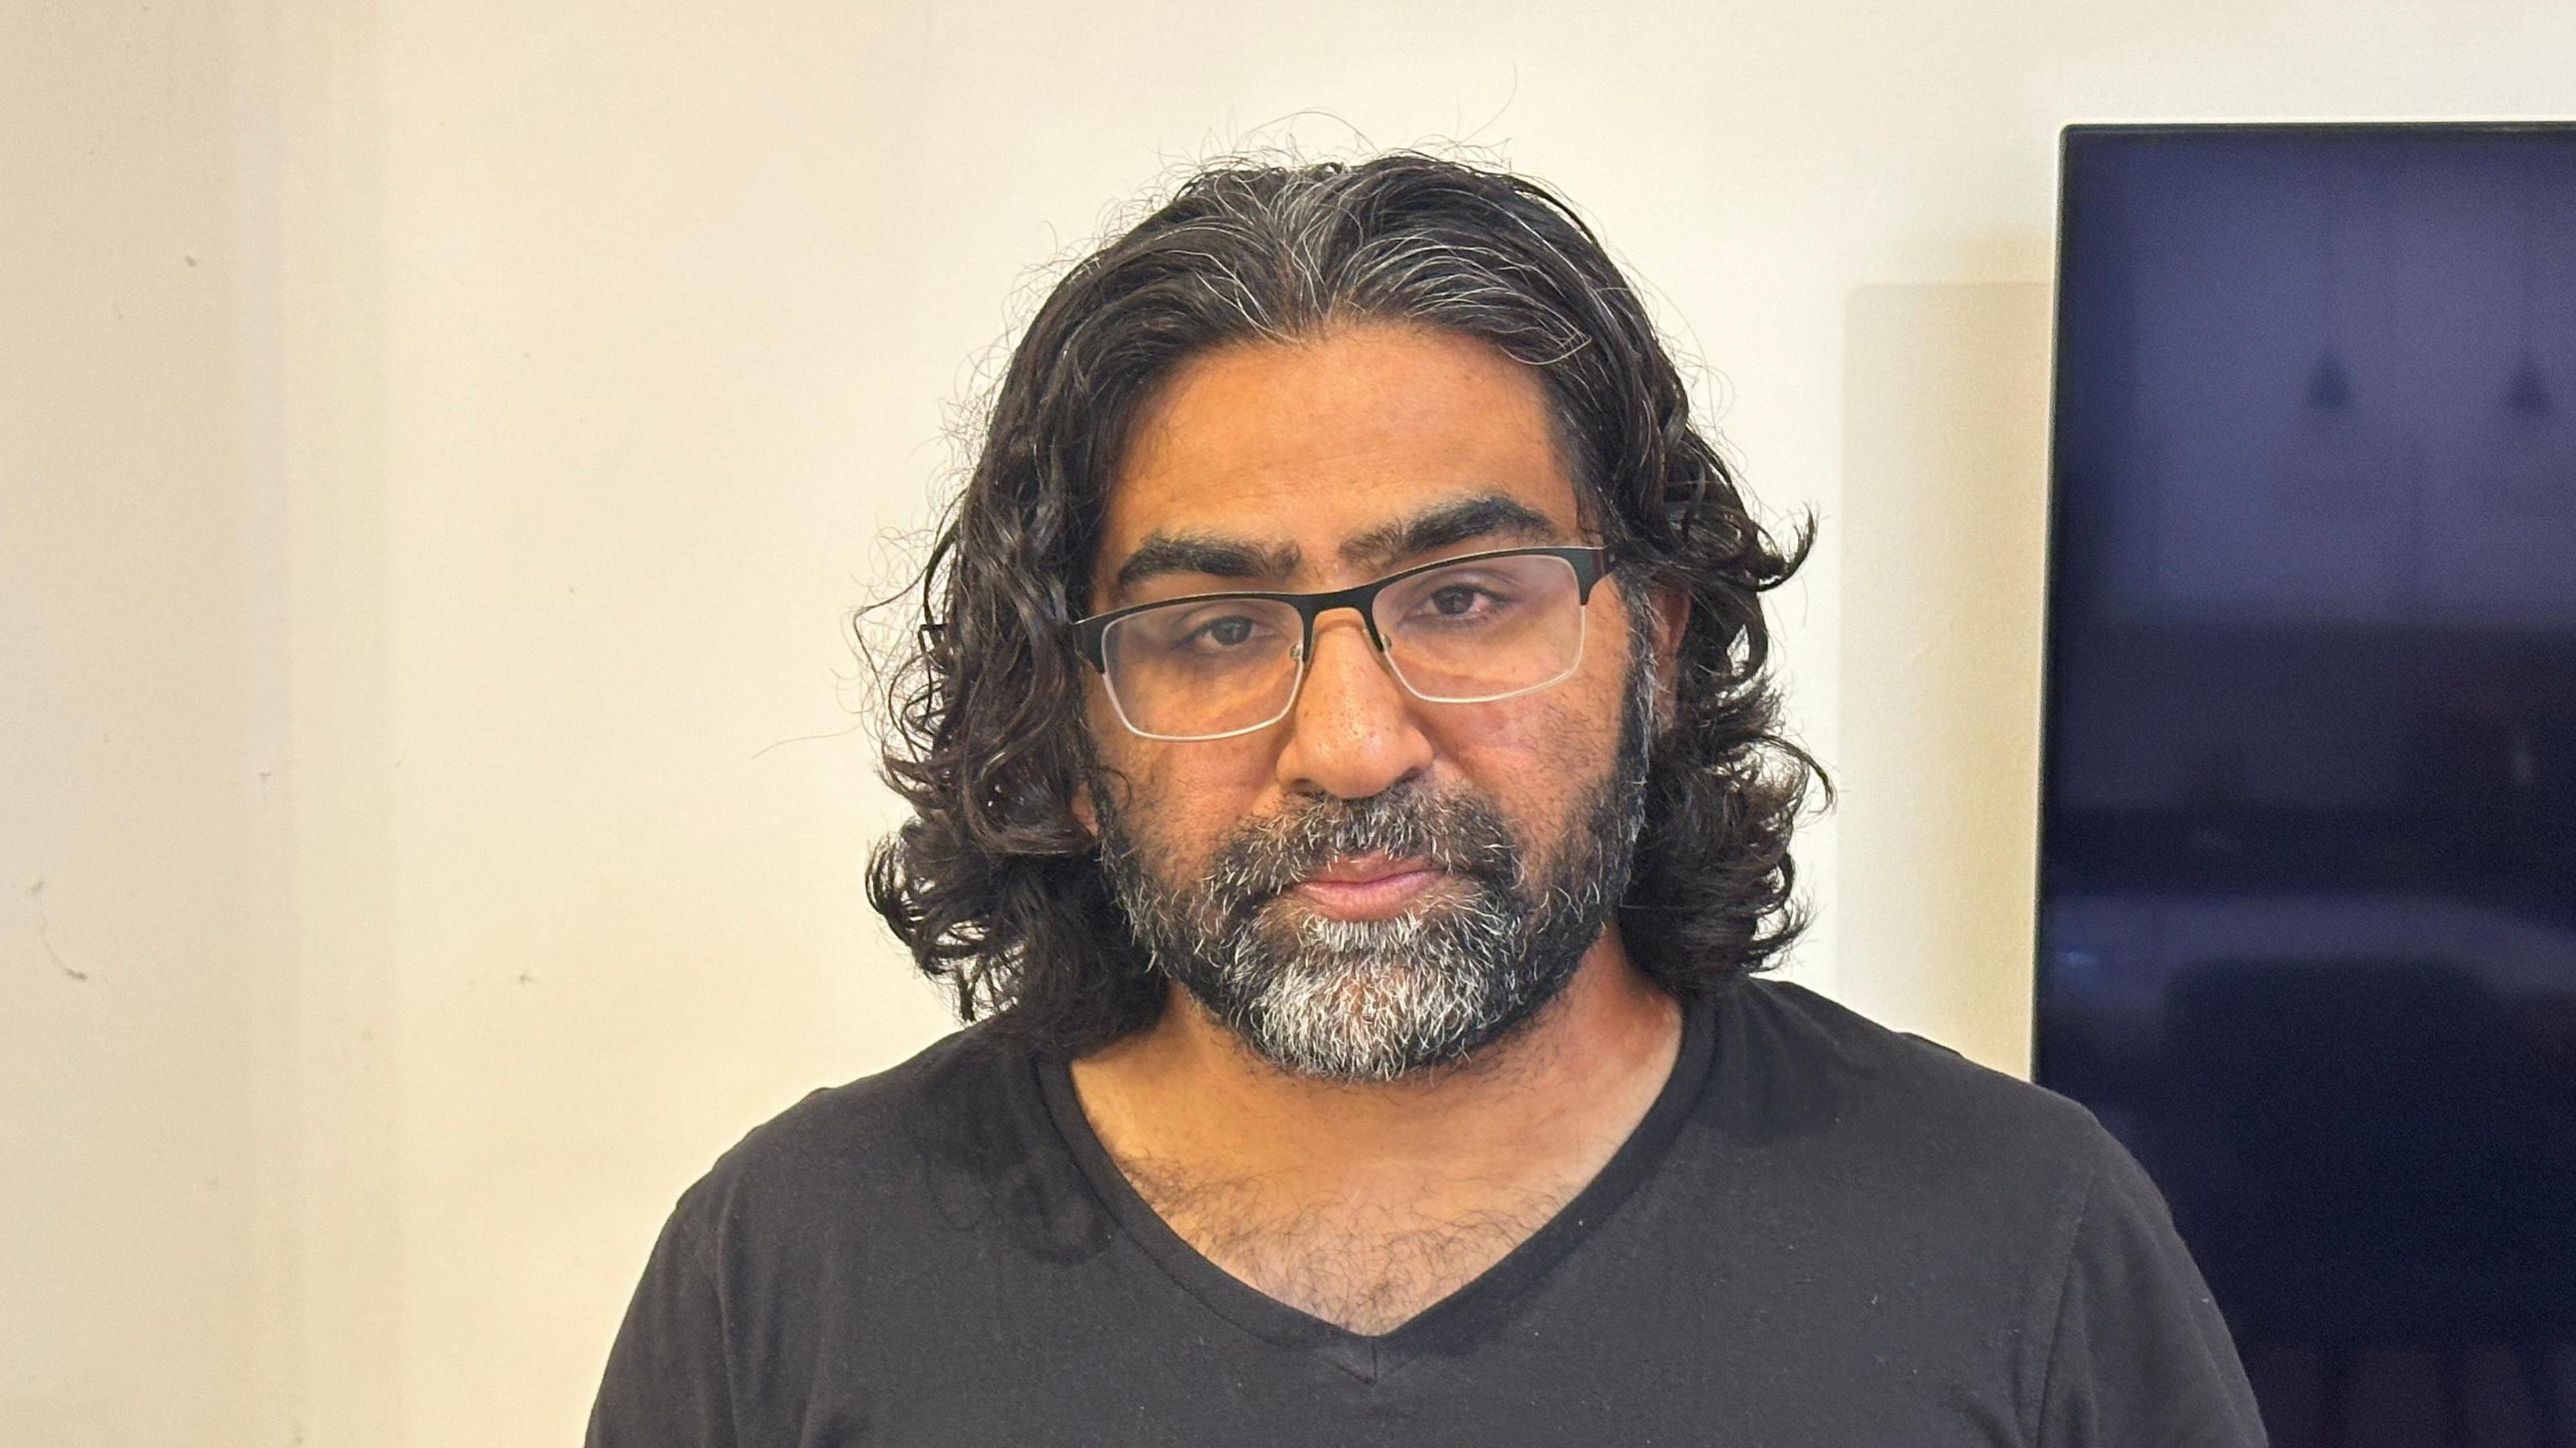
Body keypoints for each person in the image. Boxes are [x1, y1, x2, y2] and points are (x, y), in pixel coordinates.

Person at [587, 152, 2266, 1446]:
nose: (1353, 743)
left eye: (1464, 599)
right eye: (1215, 632)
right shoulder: (793, 1263)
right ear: (1070, 726)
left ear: (1657, 645)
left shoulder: (2016, 1237)